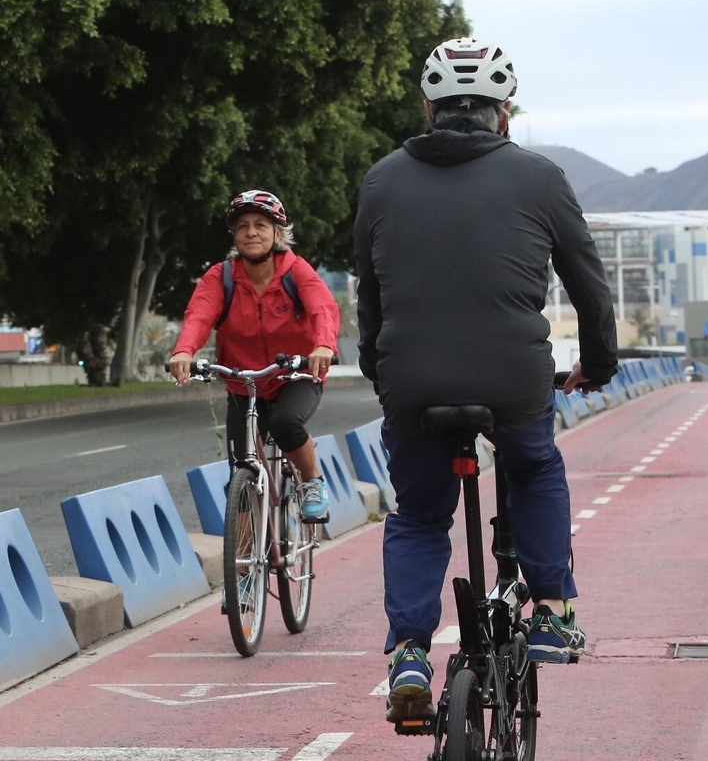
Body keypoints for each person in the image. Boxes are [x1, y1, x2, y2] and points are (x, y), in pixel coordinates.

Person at [352, 36, 618, 724]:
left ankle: (409, 650)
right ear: (505, 112)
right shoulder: (540, 177)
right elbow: (590, 288)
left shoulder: (381, 180)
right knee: (532, 467)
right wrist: (600, 361)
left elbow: (371, 300)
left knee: (416, 514)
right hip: (513, 377)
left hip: (412, 380)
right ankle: (553, 612)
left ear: (428, 107)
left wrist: (381, 372)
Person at [167, 191, 343, 521]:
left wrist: (323, 346)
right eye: (243, 226)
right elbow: (199, 316)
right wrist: (184, 351)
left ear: (278, 233)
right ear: (234, 235)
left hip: (297, 374)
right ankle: (247, 567)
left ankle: (312, 481)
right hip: (243, 382)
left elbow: (323, 309)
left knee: (286, 422)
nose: (251, 232)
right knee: (242, 472)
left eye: (261, 225)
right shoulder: (221, 277)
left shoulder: (296, 271)